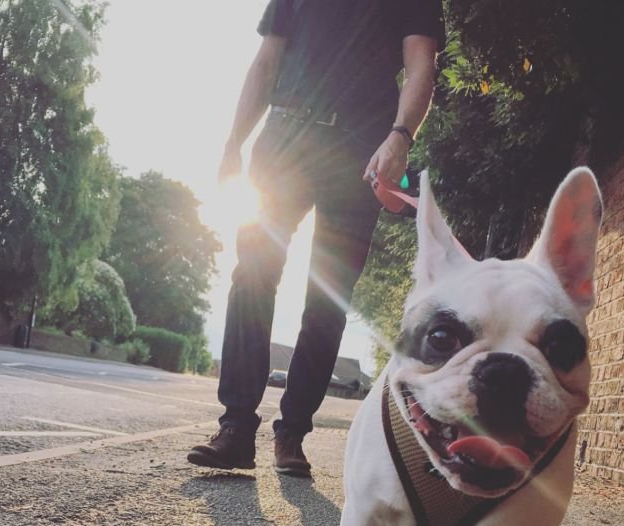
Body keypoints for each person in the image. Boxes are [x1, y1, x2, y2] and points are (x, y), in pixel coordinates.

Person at [188, 0, 445, 477]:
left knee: (328, 297)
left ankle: (292, 433)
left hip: (360, 150)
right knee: (252, 275)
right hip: (283, 140)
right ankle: (236, 427)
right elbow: (266, 62)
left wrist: (401, 136)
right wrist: (232, 144)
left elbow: (420, 66)